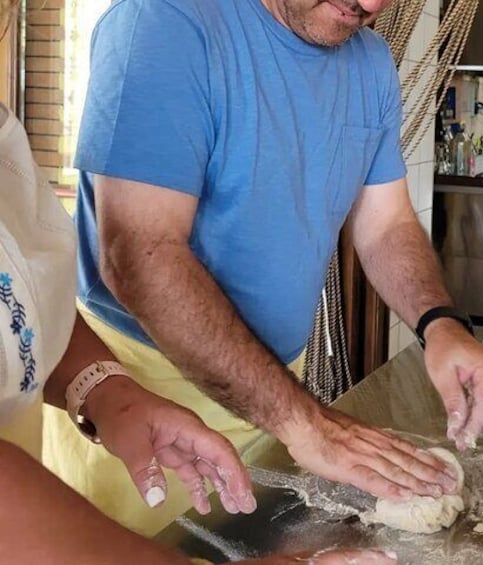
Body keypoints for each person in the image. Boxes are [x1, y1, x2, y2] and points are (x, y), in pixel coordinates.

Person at [44, 0, 483, 536]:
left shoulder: (371, 61)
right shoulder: (165, 23)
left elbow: (385, 225)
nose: (371, 5)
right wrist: (305, 424)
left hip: (275, 391)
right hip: (138, 398)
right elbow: (140, 257)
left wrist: (439, 323)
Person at [0, 1, 394, 561]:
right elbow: (136, 252)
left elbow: (21, 311)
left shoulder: (4, 149)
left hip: (214, 399)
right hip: (154, 383)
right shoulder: (163, 23)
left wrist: (106, 394)